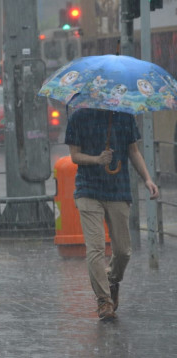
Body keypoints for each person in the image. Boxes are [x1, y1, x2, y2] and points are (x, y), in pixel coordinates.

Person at [65, 108, 159, 321]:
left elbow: (133, 151)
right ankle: (104, 301)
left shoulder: (125, 117)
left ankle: (111, 279)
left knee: (123, 251)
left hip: (118, 190)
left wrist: (147, 179)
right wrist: (97, 160)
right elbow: (74, 156)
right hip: (88, 190)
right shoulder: (78, 118)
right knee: (96, 248)